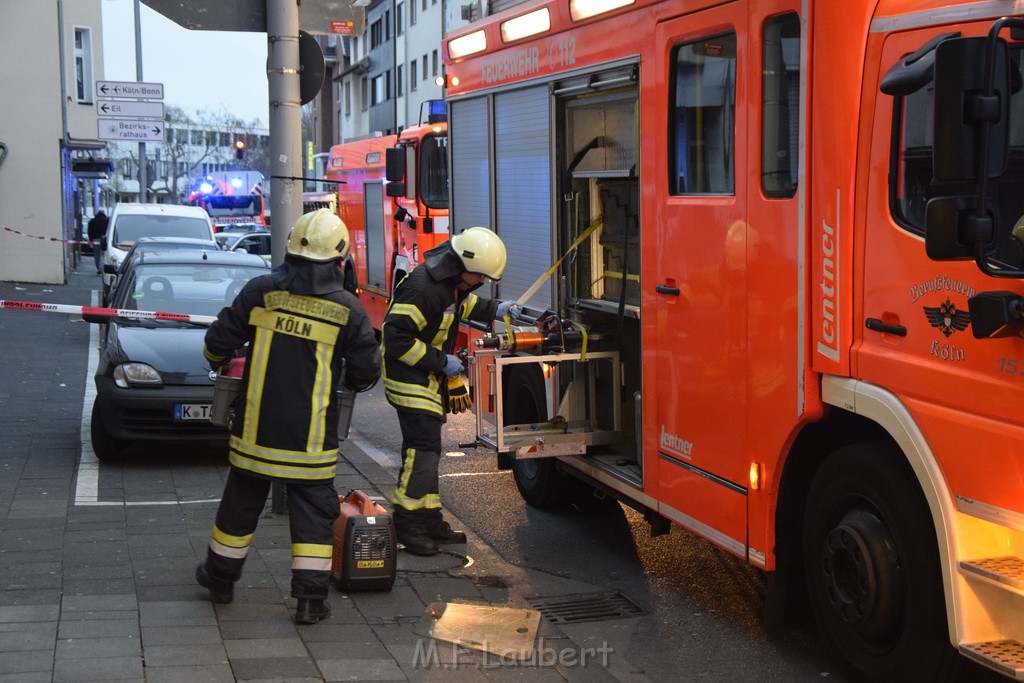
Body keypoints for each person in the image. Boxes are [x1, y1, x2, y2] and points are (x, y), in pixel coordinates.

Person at [195, 209, 381, 625]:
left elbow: (216, 343)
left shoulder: (260, 291)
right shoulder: (349, 310)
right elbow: (368, 374)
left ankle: (220, 580)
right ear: (339, 261)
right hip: (311, 443)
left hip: (254, 434)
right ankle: (310, 602)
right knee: (314, 519)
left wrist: (219, 361)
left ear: (291, 249)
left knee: (239, 508)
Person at [381, 226, 522, 556]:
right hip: (406, 374)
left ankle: (429, 520)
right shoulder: (421, 289)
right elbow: (396, 339)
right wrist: (440, 361)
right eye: (480, 276)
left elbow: (465, 306)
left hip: (425, 374)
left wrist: (497, 309)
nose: (481, 282)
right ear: (462, 266)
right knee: (423, 448)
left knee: (428, 450)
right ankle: (407, 523)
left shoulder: (450, 284)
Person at [87, 210, 108, 274]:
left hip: (95, 239)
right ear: (104, 213)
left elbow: (89, 232)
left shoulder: (92, 221)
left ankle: (98, 268)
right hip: (104, 240)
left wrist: (90, 240)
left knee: (96, 254)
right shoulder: (107, 220)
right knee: (102, 254)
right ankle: (101, 268)